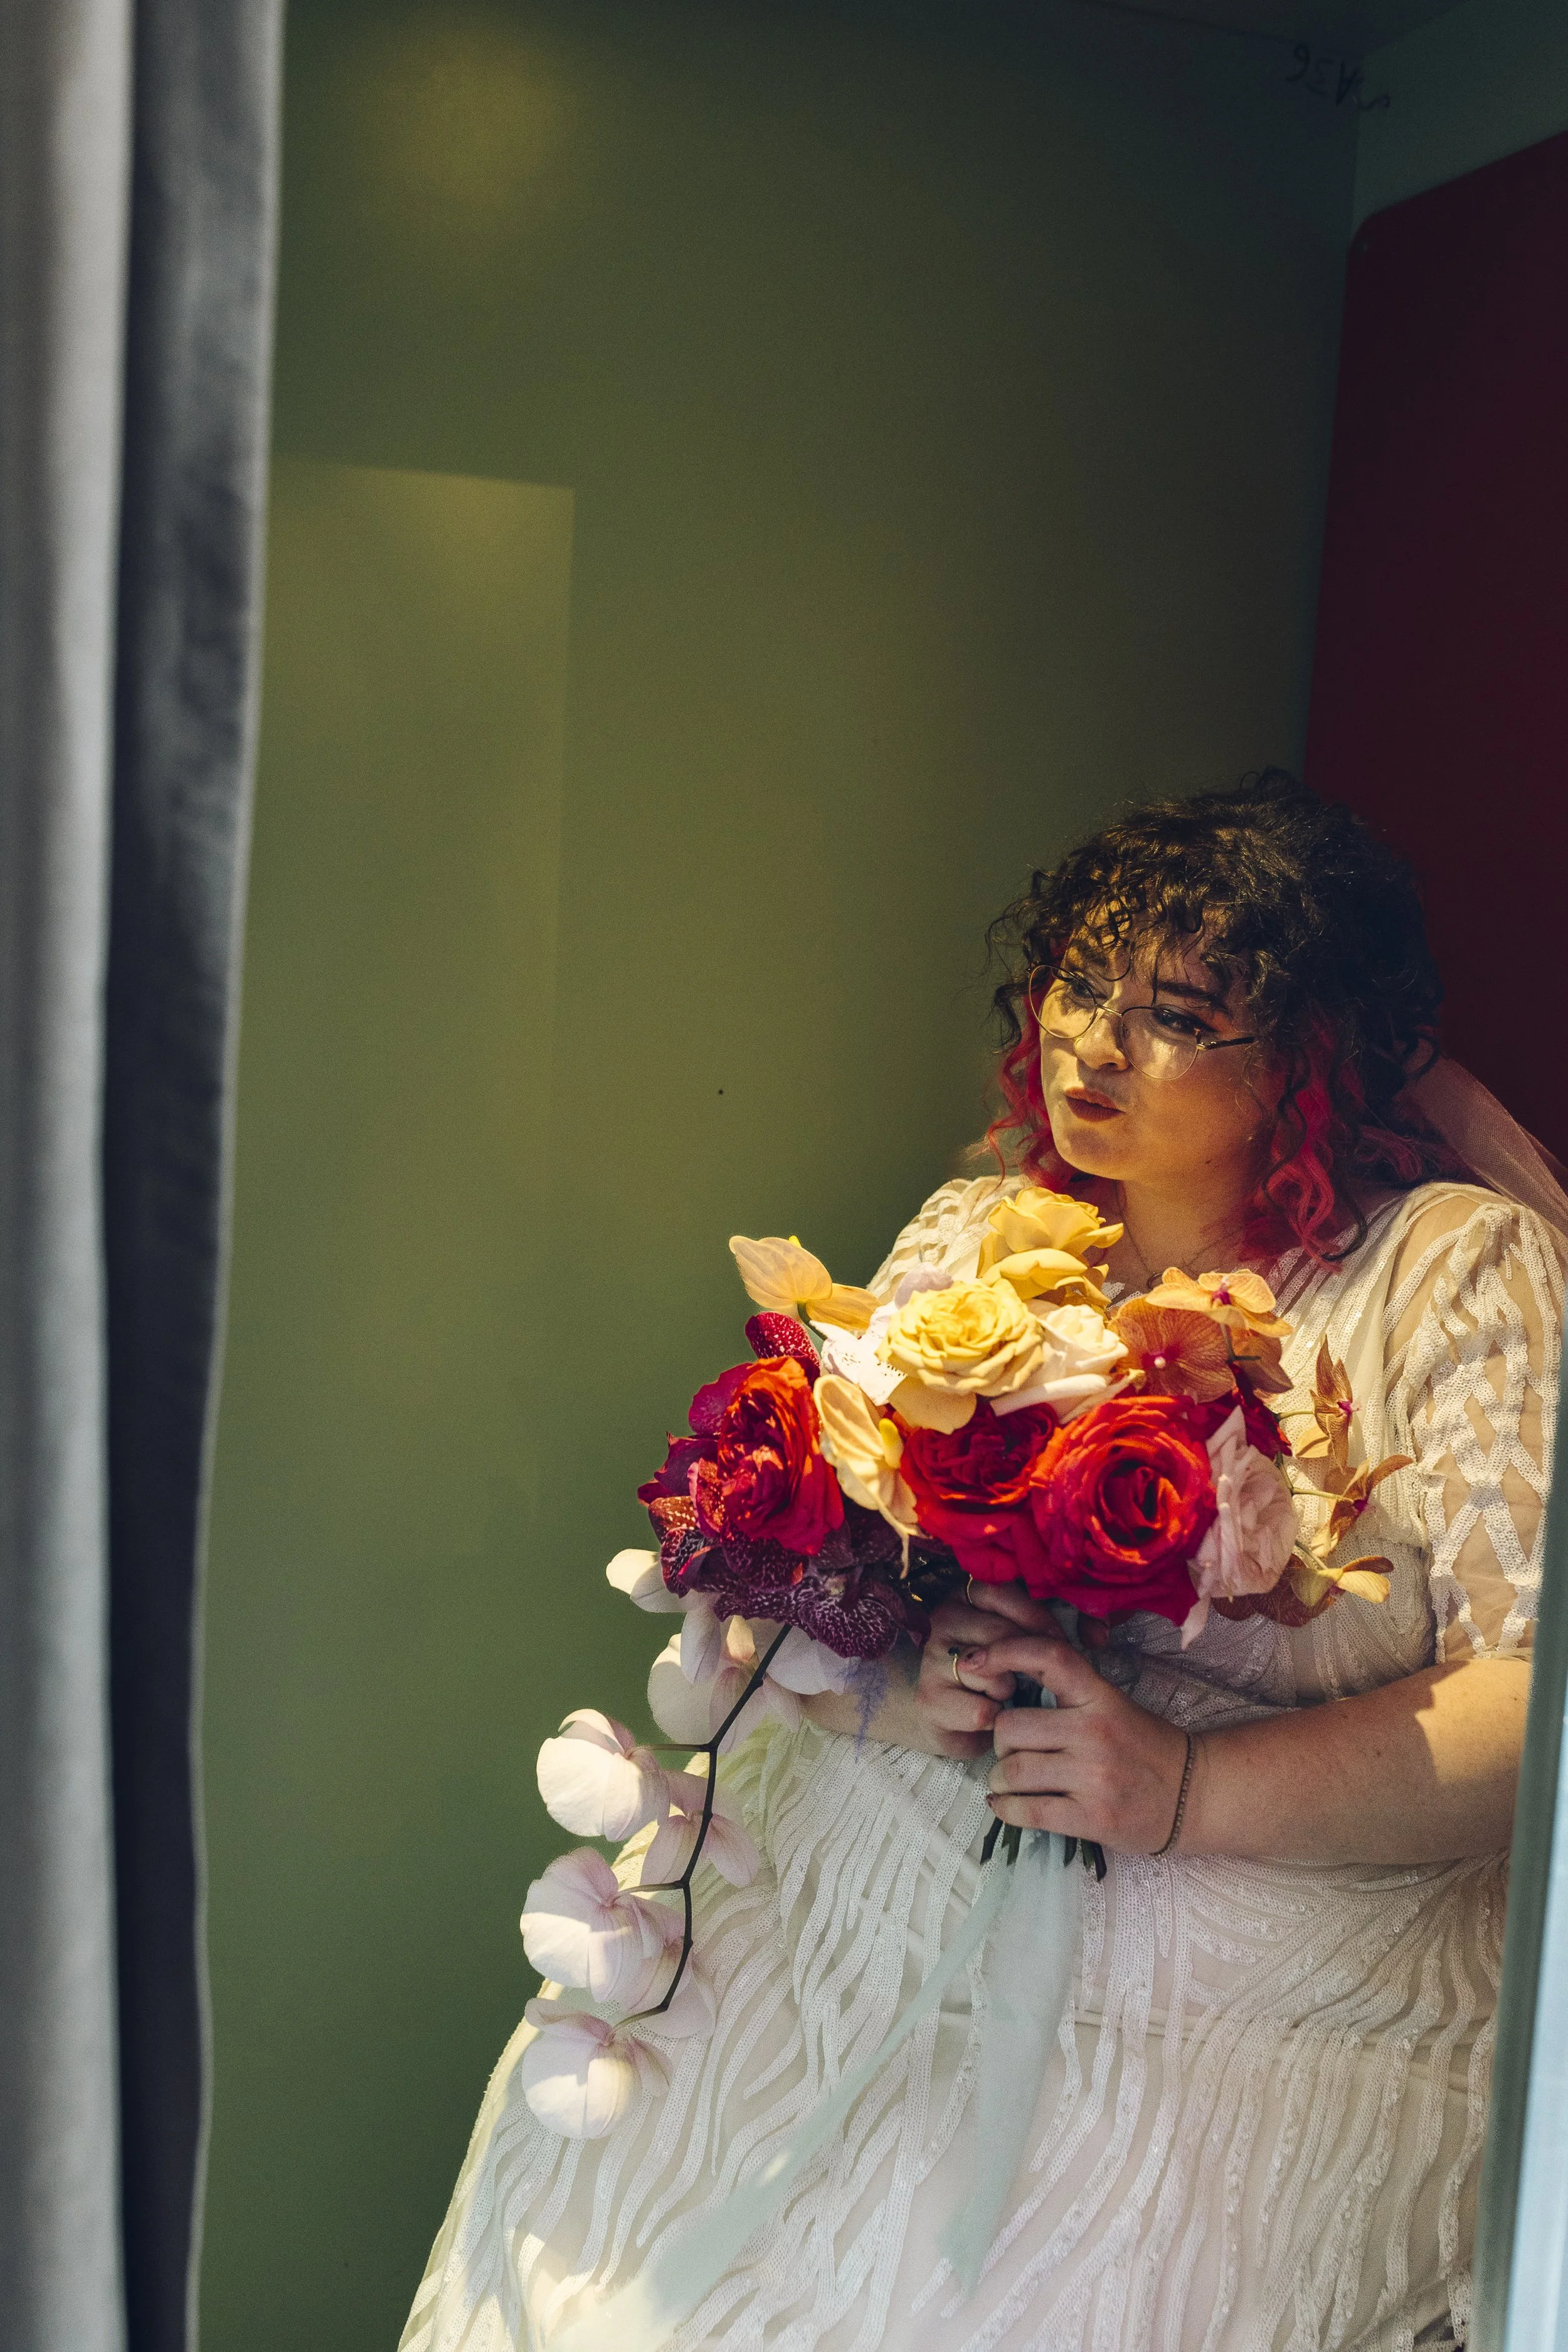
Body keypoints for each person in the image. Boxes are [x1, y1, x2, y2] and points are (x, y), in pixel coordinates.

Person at [402, 772, 1562, 2352]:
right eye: (1077, 985)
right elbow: (830, 1579)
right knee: (631, 2251)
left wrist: (1181, 1790)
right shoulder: (971, 1242)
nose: (1092, 1044)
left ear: (1308, 1051)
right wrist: (903, 1672)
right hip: (884, 1876)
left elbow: (1540, 1702)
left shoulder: (1451, 1274)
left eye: (1173, 1014)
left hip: (1265, 1961)